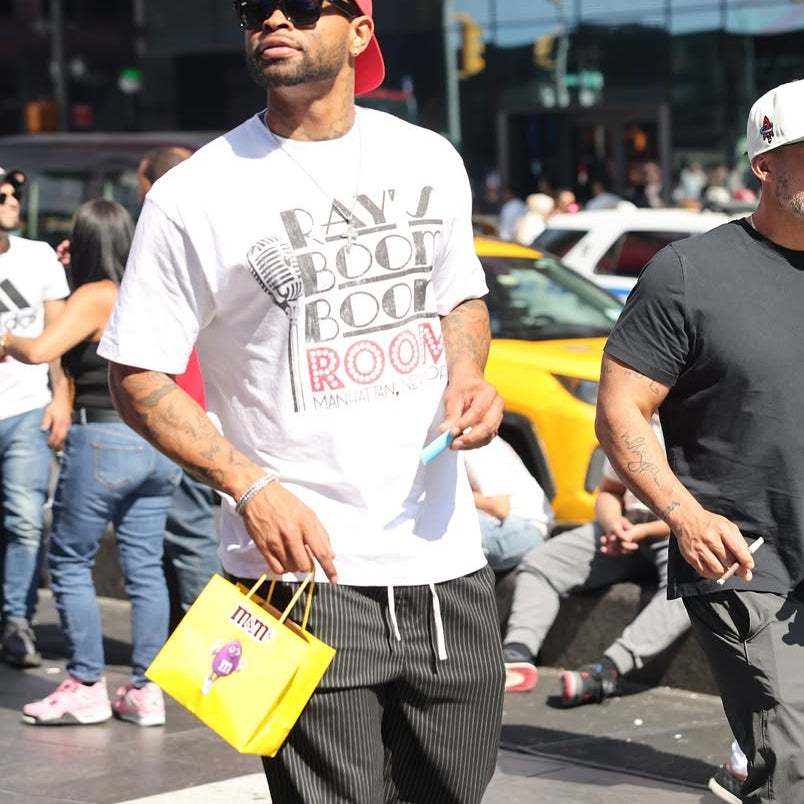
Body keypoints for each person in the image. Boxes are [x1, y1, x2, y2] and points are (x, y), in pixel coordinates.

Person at [98, 1, 506, 802]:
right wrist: (250, 486)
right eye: (255, 7)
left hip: (444, 563)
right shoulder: (192, 194)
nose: (273, 16)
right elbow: (137, 375)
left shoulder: (428, 158)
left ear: (361, 32)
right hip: (291, 579)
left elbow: (461, 299)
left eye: (302, 3)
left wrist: (466, 373)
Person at [595, 78, 804, 803]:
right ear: (765, 164)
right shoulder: (690, 274)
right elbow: (620, 412)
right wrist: (683, 513)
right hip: (746, 556)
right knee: (794, 760)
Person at [2, 199, 181, 727]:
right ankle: (146, 690)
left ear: (82, 242)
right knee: (145, 567)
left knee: (71, 561)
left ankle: (85, 683)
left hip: (103, 440)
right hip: (156, 442)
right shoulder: (150, 288)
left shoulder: (96, 295)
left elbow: (41, 351)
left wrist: (7, 337)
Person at [502, 416, 690, 700]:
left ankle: (607, 669)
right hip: (625, 527)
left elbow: (704, 510)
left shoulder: (698, 424)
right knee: (542, 563)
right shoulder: (636, 420)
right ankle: (517, 652)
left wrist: (645, 531)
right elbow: (609, 492)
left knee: (690, 586)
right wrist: (614, 523)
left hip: (676, 532)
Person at [137, 145, 222, 630]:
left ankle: (210, 643)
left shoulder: (167, 240)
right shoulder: (214, 231)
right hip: (203, 404)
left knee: (190, 533)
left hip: (181, 409)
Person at [0, 168, 71, 668]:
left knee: (25, 521)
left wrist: (61, 395)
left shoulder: (38, 256)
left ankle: (16, 621)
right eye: (1, 193)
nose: (11, 199)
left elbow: (60, 333)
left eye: (15, 193)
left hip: (25, 408)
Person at [464, 436, 553, 572]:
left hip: (525, 527)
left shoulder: (471, 439)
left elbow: (499, 506)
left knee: (451, 532)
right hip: (502, 523)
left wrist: (446, 495)